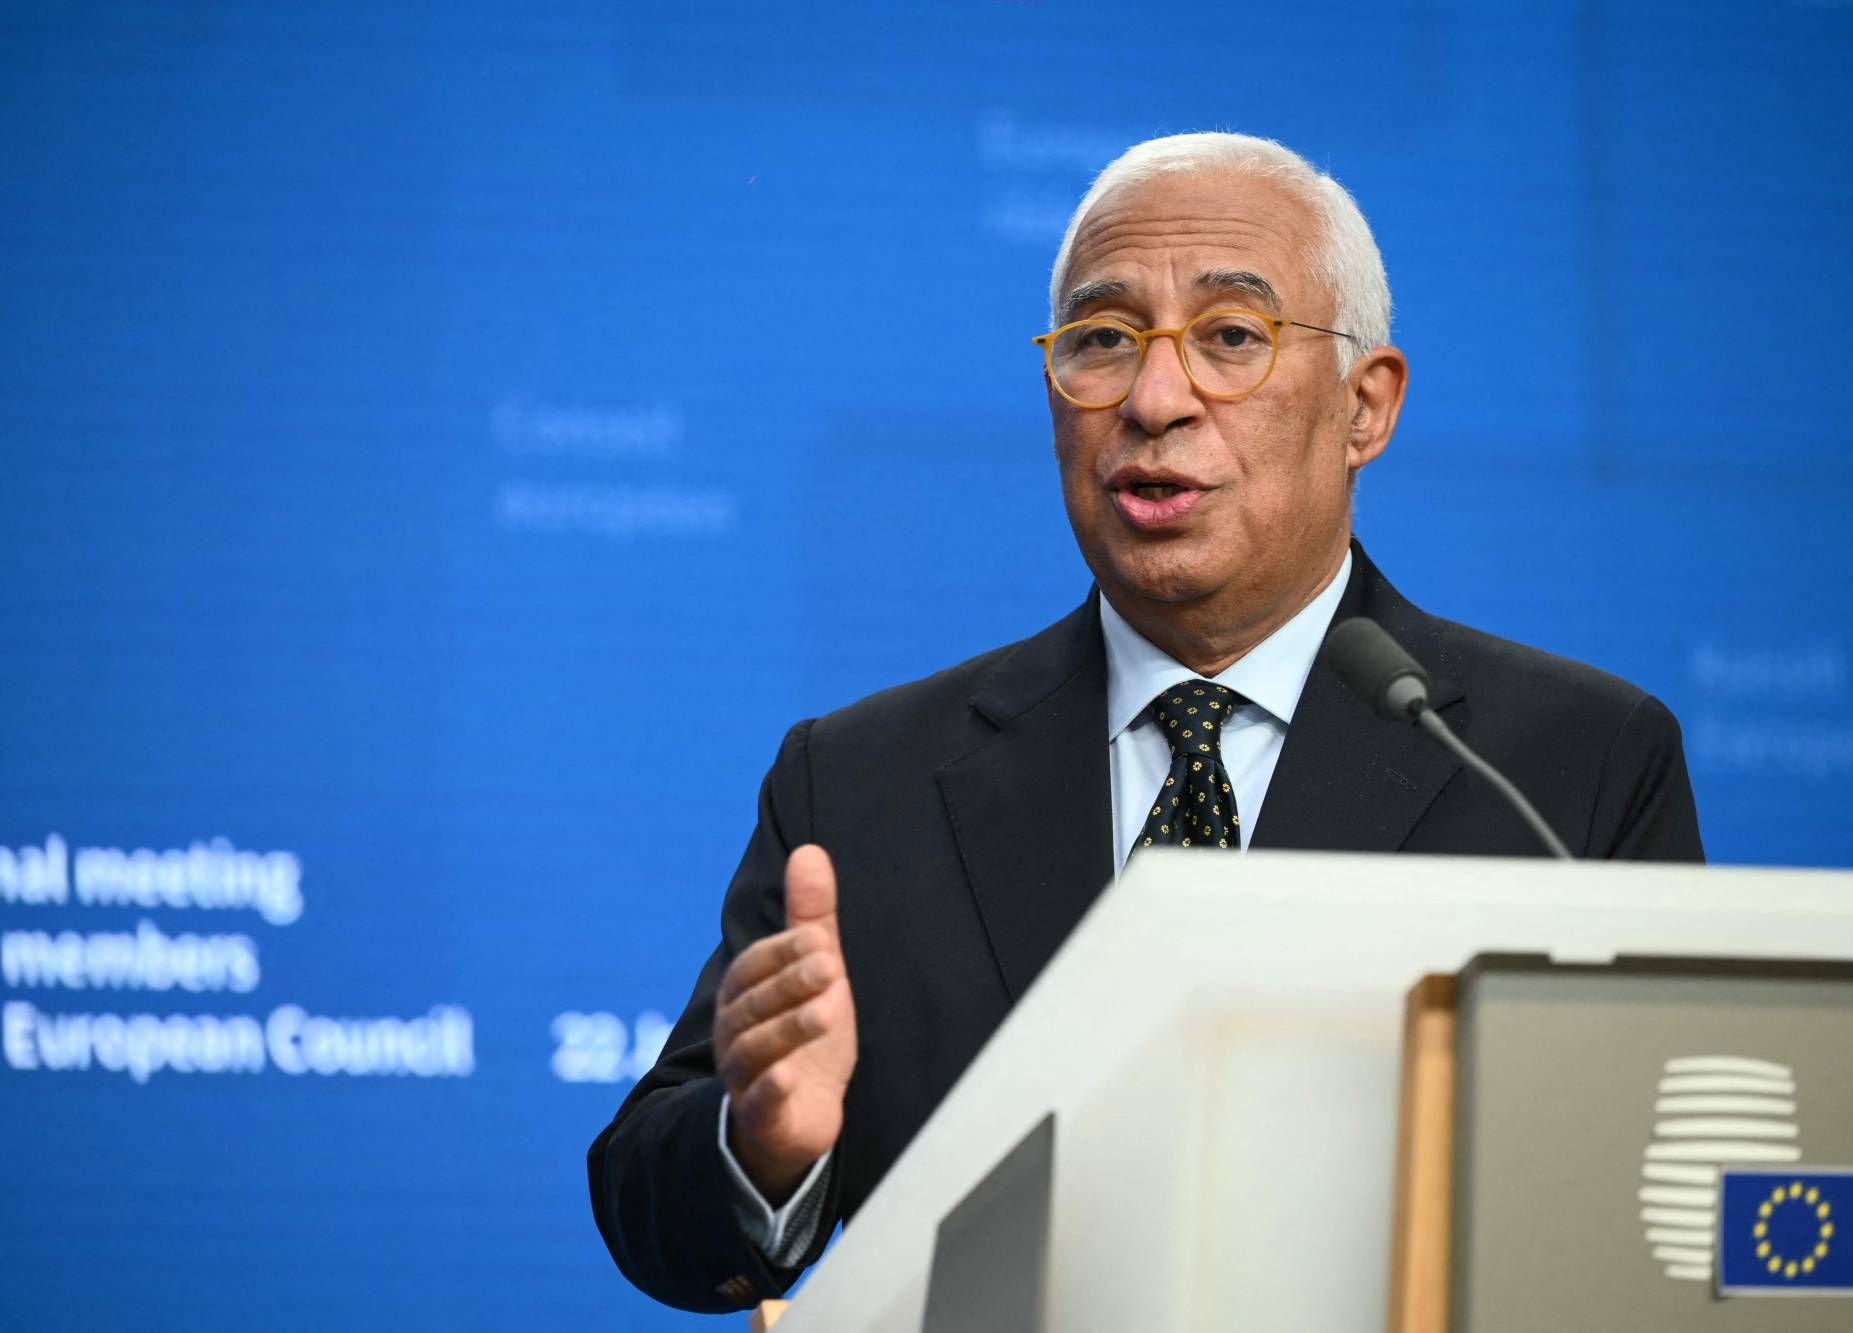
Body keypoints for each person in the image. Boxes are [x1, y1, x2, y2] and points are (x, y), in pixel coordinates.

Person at [587, 131, 1702, 1312]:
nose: (1153, 401)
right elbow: (651, 1201)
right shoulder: (861, 782)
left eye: (1230, 336)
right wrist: (762, 1145)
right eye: (1102, 341)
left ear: (1364, 406)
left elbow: (1663, 1206)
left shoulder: (1567, 766)